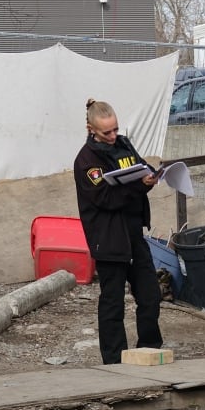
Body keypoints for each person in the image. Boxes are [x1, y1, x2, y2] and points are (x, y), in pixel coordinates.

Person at [73, 99, 164, 364]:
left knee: (150, 294)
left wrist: (148, 178)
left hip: (134, 233)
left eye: (115, 129)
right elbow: (105, 199)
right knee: (113, 302)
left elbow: (139, 168)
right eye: (106, 132)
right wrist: (138, 187)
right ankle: (114, 360)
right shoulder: (86, 161)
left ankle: (149, 348)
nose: (113, 136)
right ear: (91, 129)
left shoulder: (123, 144)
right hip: (109, 239)